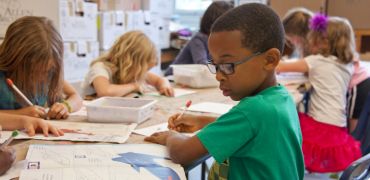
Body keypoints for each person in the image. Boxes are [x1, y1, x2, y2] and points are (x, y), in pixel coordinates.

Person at [146, 3, 304, 179]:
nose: (219, 76)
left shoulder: (252, 110)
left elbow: (182, 153)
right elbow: (252, 128)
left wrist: (170, 137)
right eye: (215, 65)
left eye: (227, 66)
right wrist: (201, 120)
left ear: (269, 60)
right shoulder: (280, 98)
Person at [277, 14, 362, 172]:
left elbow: (279, 66)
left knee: (284, 124)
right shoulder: (346, 64)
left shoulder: (317, 61)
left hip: (321, 127)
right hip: (338, 126)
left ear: (324, 42)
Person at [0, 16, 83, 120]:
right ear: (14, 59)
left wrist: (66, 106)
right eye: (34, 71)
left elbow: (76, 97)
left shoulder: (50, 73)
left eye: (48, 71)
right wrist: (20, 114)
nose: (42, 78)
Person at [82, 31, 174, 97]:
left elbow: (160, 80)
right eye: (145, 69)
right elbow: (105, 91)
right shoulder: (100, 68)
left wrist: (164, 86)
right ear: (132, 62)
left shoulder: (133, 71)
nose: (144, 73)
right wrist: (134, 86)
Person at [164, 1, 233, 76]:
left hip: (194, 79)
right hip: (173, 78)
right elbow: (202, 65)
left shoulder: (218, 41)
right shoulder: (198, 39)